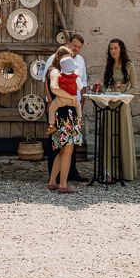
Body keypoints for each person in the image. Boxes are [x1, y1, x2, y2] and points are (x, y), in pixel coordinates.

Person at [43, 33, 87, 181]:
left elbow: (83, 81)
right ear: (68, 43)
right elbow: (47, 84)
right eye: (74, 45)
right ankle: (55, 178)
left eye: (79, 47)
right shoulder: (54, 61)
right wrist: (51, 103)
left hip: (73, 107)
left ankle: (70, 173)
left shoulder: (80, 60)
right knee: (57, 145)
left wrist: (81, 101)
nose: (76, 49)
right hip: (59, 106)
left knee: (70, 146)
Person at [103, 38, 140, 181]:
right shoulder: (109, 65)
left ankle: (125, 172)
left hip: (123, 104)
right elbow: (105, 84)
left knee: (123, 135)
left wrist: (123, 96)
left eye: (115, 48)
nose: (113, 51)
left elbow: (135, 86)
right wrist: (106, 92)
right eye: (111, 49)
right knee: (109, 135)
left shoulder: (129, 65)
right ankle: (109, 171)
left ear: (121, 49)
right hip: (110, 102)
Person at [46, 55, 82, 131]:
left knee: (51, 109)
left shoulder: (59, 76)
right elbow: (80, 87)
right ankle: (80, 120)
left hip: (61, 100)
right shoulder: (76, 77)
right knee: (78, 106)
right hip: (73, 100)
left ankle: (51, 125)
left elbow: (55, 88)